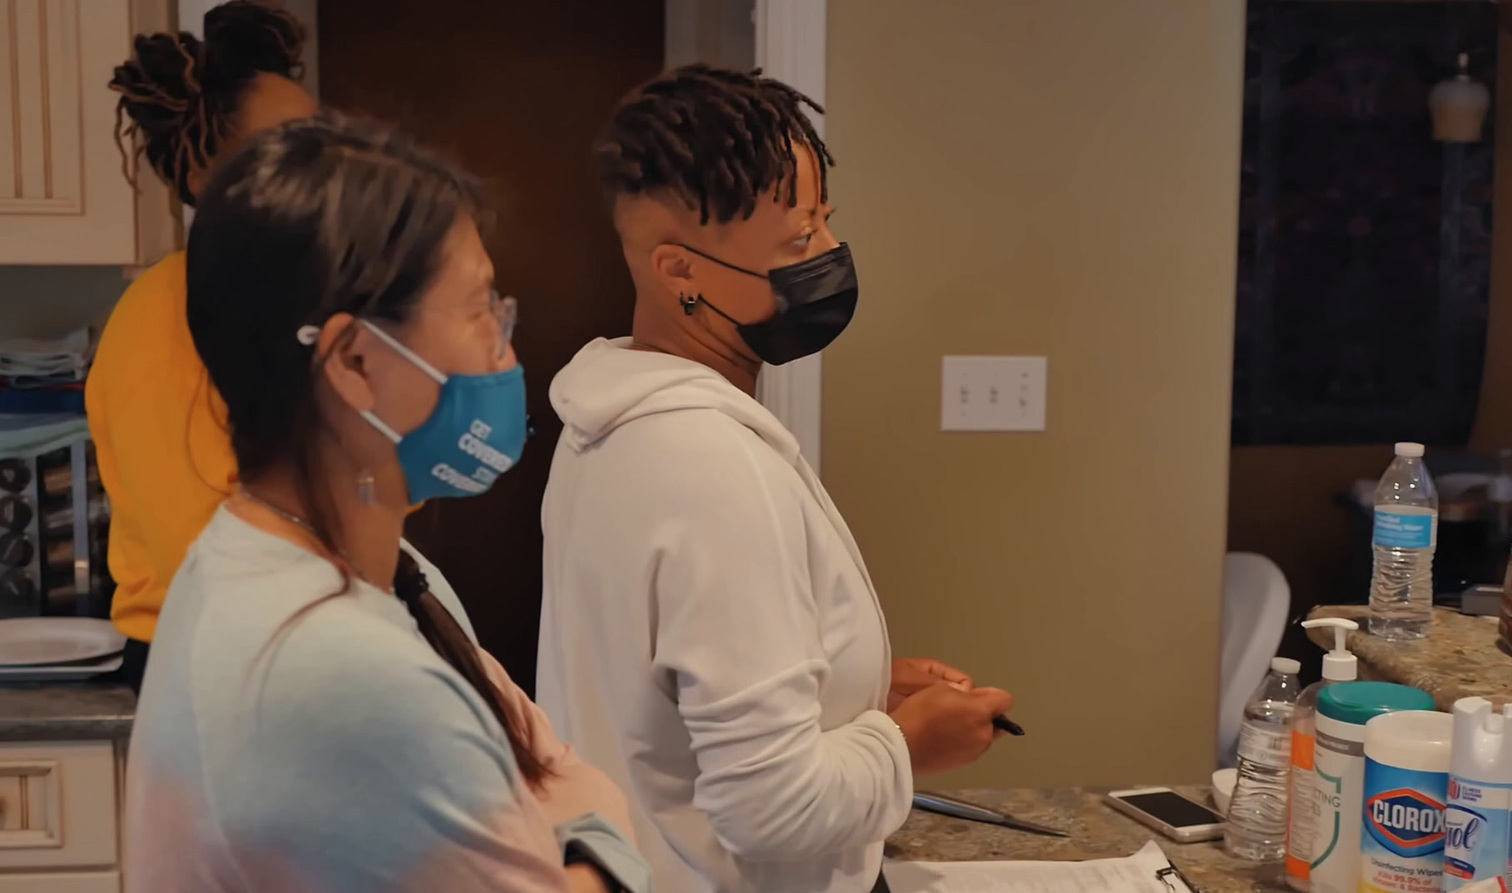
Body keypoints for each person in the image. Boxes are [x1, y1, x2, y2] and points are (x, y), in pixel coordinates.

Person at [125, 114, 651, 893]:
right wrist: (602, 844)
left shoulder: (377, 572)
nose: (505, 352)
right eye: (481, 312)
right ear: (356, 362)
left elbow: (543, 766)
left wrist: (568, 818)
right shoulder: (339, 675)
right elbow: (572, 786)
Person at [537, 65, 1015, 893]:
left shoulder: (604, 427)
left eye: (825, 222)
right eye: (798, 242)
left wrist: (846, 680)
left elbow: (667, 695)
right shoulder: (710, 465)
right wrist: (909, 746)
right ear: (677, 270)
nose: (828, 254)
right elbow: (773, 809)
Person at [89, 0, 318, 688]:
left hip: (282, 642)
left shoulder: (291, 299)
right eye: (288, 146)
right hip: (210, 658)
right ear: (201, 177)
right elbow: (204, 547)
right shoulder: (169, 315)